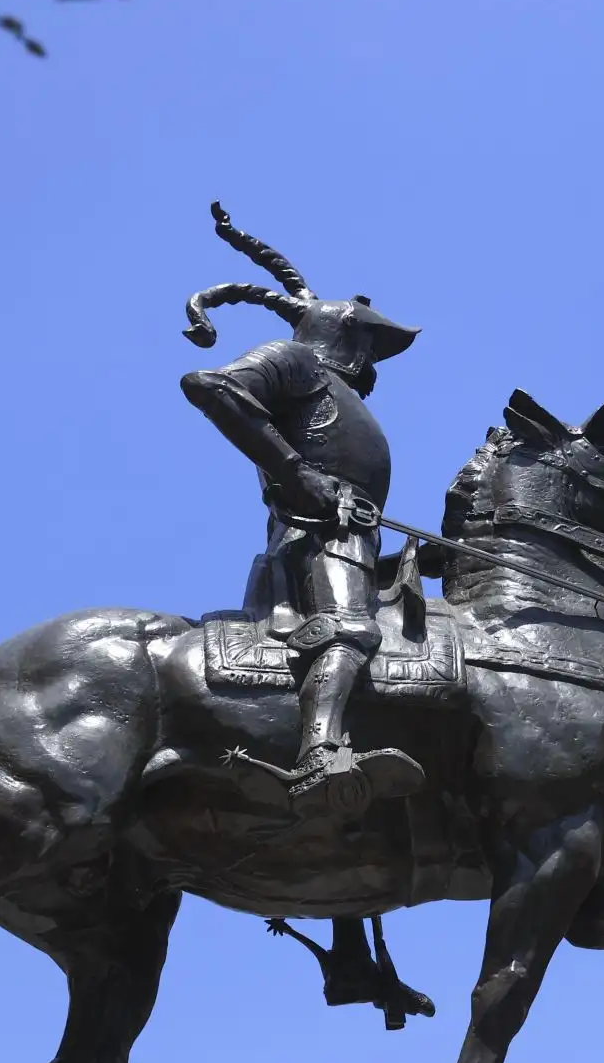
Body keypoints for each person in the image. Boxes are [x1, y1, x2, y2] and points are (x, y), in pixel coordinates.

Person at [179, 203, 425, 816]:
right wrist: (298, 475)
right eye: (370, 344)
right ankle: (320, 757)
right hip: (316, 536)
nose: (372, 362)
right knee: (349, 627)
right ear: (348, 334)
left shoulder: (337, 390)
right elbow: (211, 386)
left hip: (353, 539)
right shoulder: (297, 363)